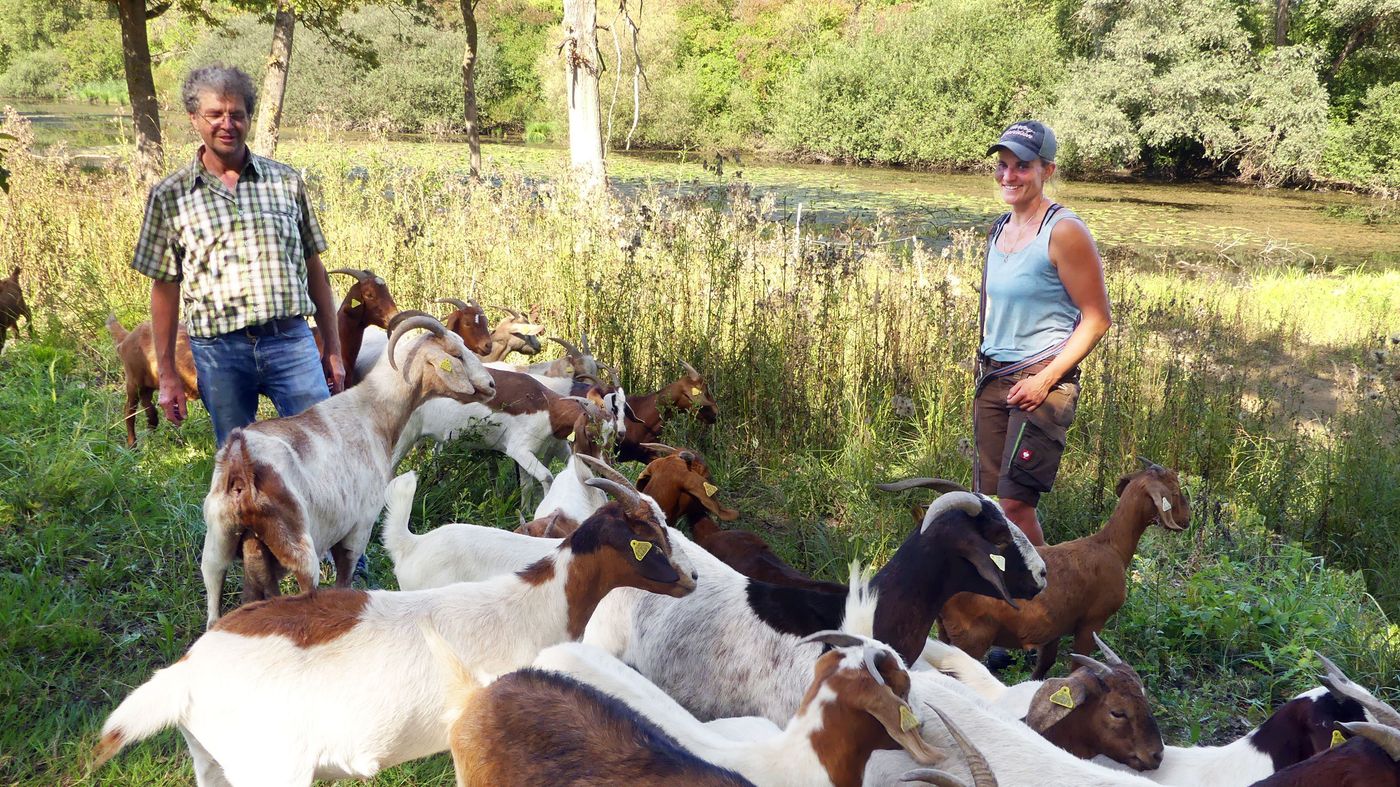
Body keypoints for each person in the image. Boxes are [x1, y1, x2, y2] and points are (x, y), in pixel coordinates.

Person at [131, 65, 345, 448]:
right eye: (215, 114)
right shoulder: (170, 195)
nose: (226, 124)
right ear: (195, 118)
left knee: (322, 447)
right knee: (237, 458)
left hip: (291, 341)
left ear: (249, 118)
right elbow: (164, 288)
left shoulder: (286, 182)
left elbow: (316, 269)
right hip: (219, 351)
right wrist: (167, 374)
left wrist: (332, 348)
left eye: (237, 114)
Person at [974, 121, 1111, 547]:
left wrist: (1045, 380)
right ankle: (1006, 601)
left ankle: (1047, 600)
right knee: (988, 503)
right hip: (995, 377)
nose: (1008, 176)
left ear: (1046, 170)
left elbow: (1097, 318)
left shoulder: (1064, 231)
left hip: (1042, 381)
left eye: (1022, 166)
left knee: (1016, 506)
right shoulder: (1000, 228)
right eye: (1002, 165)